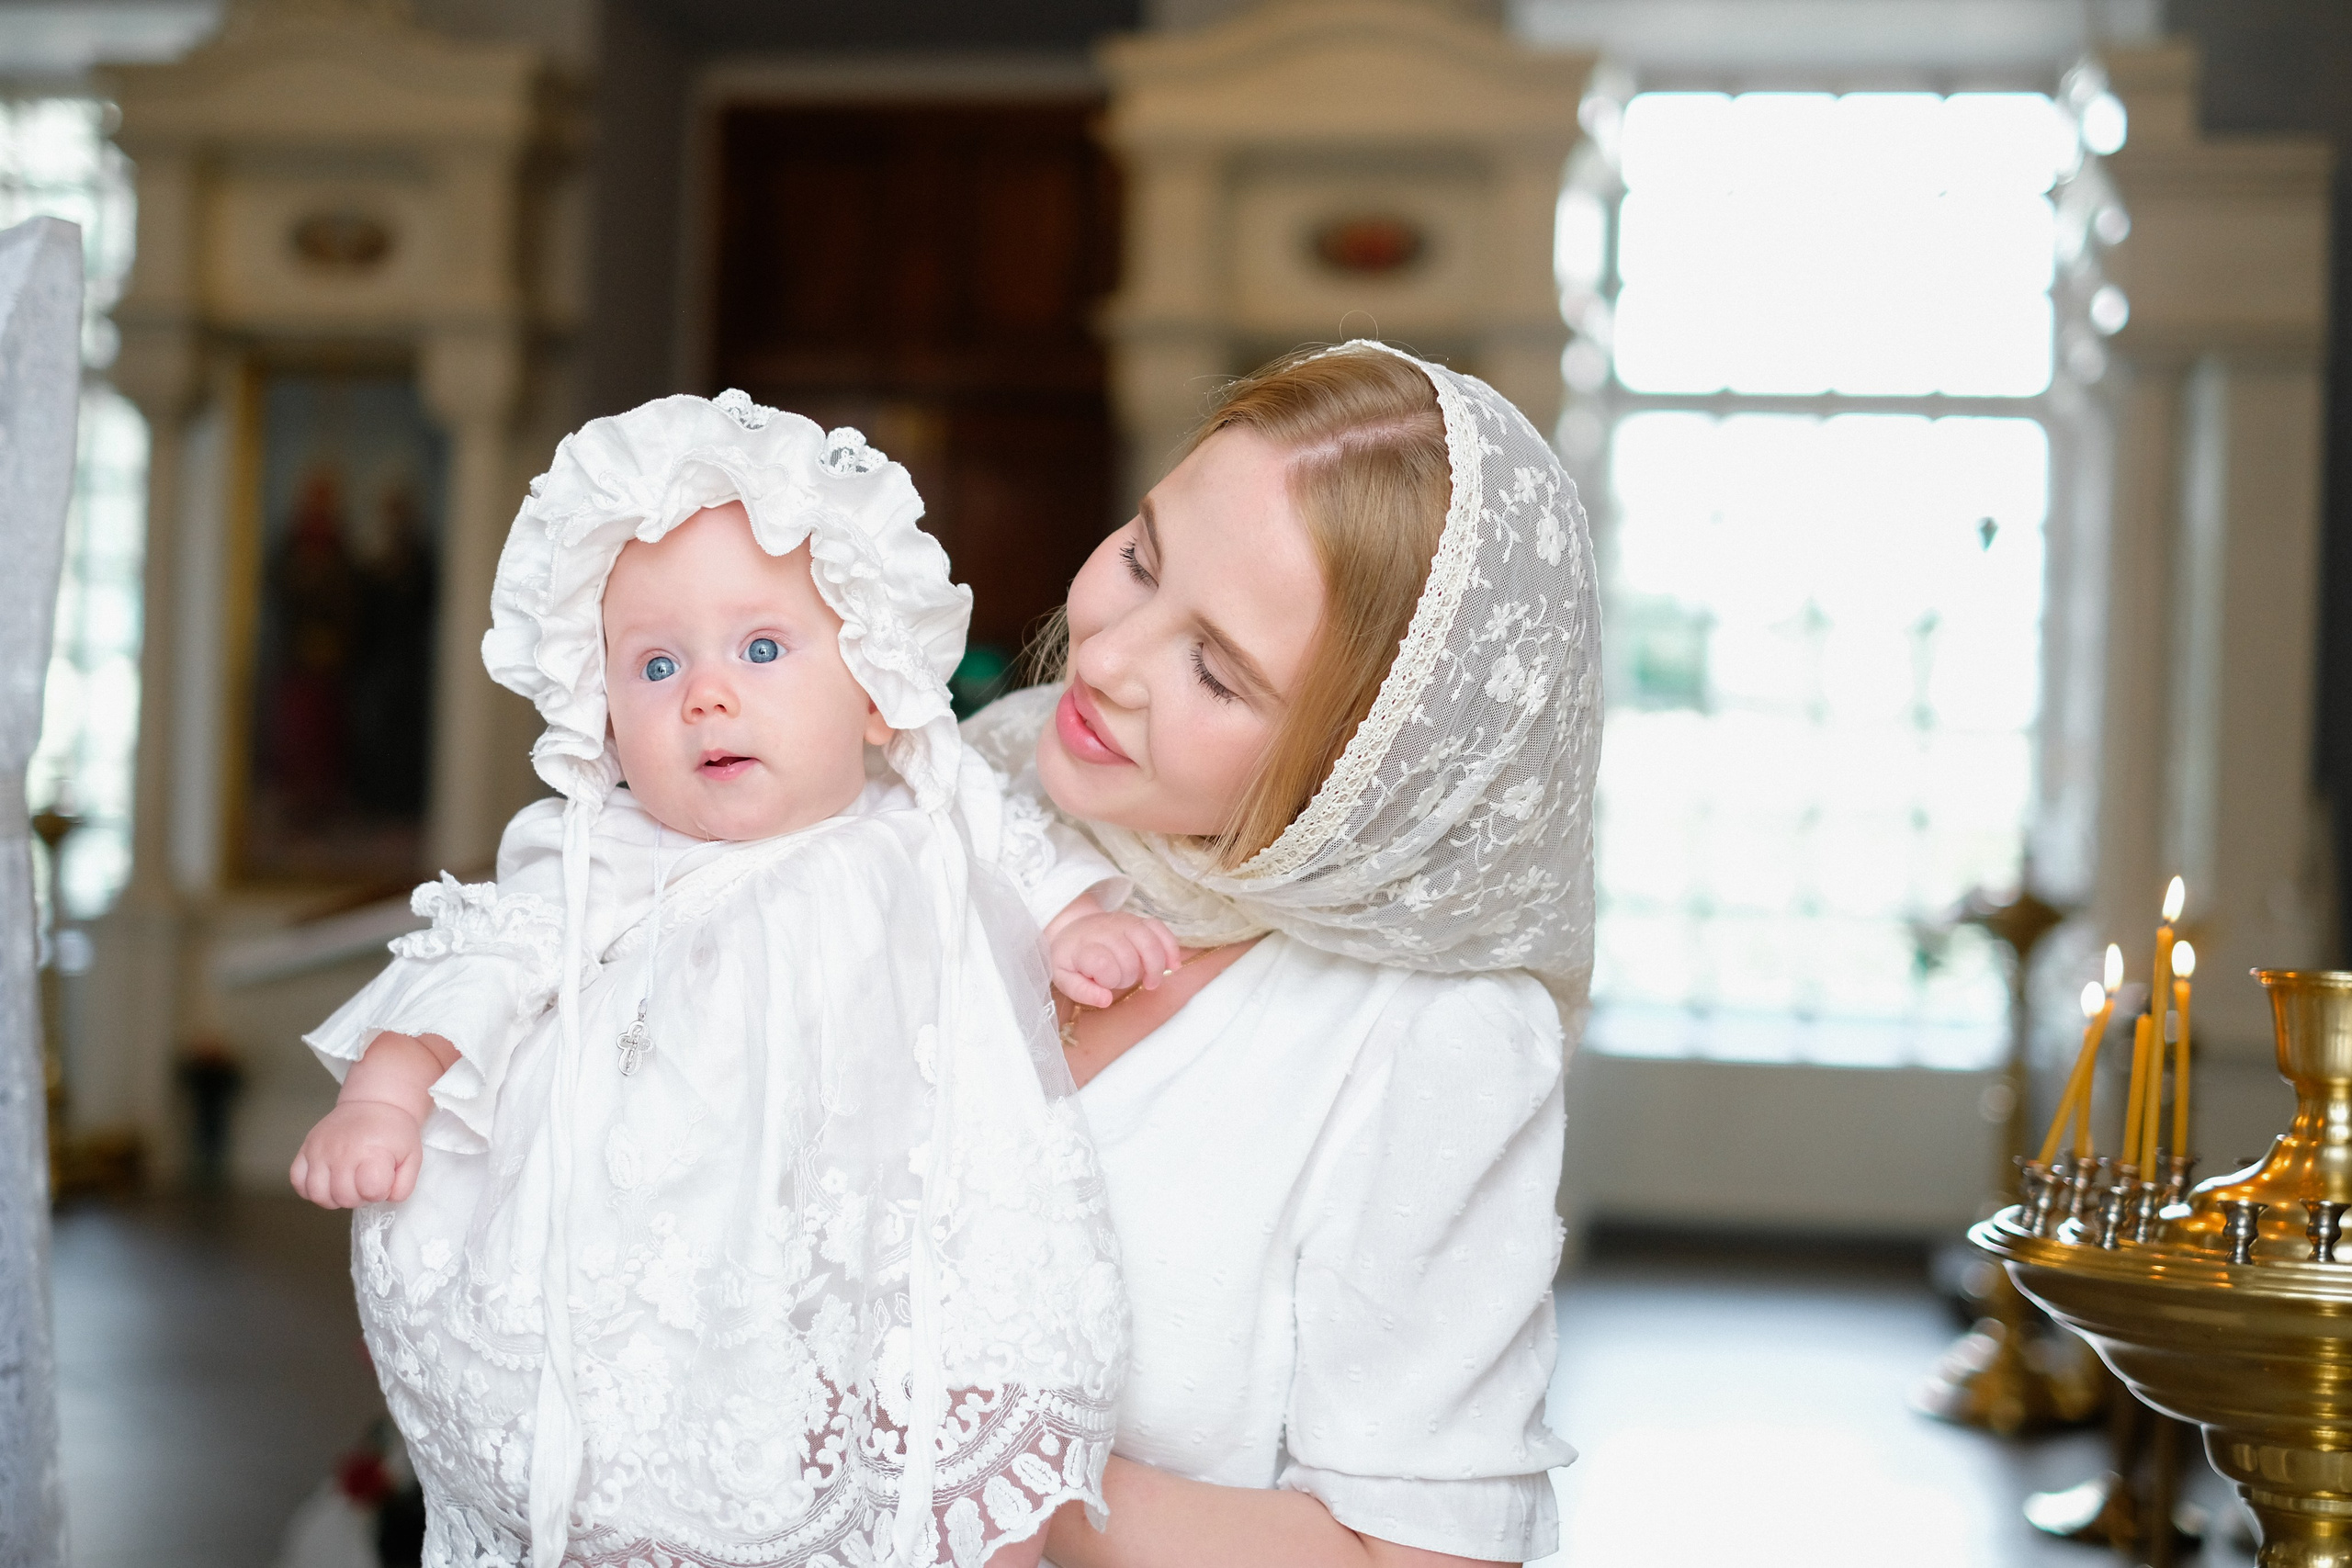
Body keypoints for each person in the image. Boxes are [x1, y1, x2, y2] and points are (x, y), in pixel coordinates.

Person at [288, 390, 1173, 1568]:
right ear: (599, 714)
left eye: (762, 649)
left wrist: (1069, 927)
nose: (706, 693)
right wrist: (386, 1094)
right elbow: (485, 955)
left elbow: (1013, 851)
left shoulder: (920, 812)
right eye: (655, 665)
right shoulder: (603, 854)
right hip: (650, 1247)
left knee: (879, 1399)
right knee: (644, 1436)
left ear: (871, 685)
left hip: (858, 1233)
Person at [961, 341, 1600, 1568]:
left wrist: (987, 1474)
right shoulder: (994, 778)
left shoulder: (1431, 1029)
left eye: (1214, 668)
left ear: (1373, 768)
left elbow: (1414, 1554)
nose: (1101, 657)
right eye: (1141, 555)